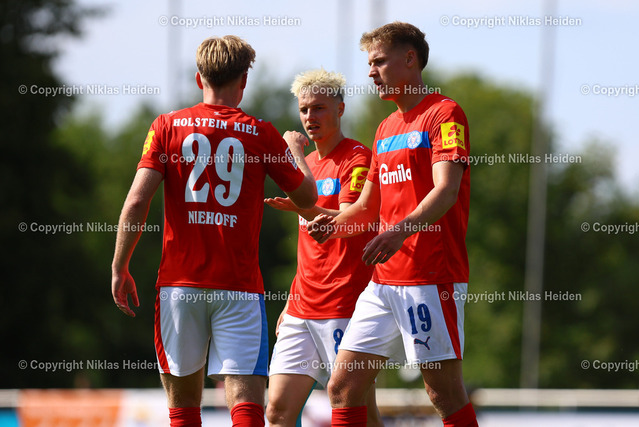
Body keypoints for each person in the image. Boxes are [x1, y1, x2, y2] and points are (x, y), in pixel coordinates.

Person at [111, 35, 317, 427]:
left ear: (198, 78)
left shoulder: (166, 126)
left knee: (184, 407)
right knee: (247, 406)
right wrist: (295, 150)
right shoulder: (261, 133)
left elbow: (137, 201)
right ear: (244, 81)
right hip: (239, 287)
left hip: (179, 287)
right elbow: (307, 198)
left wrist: (120, 266)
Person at [308, 22, 478, 426]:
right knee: (343, 386)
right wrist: (324, 220)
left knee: (442, 392)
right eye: (370, 63)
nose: (371, 72)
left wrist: (398, 231)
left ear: (410, 59)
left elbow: (446, 190)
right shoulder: (385, 128)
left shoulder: (444, 113)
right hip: (384, 281)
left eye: (380, 61)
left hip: (430, 275)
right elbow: (367, 208)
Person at [264, 69, 382, 427]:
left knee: (358, 411)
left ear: (340, 109)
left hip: (344, 305)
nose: (309, 117)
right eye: (303, 109)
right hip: (302, 307)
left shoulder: (357, 157)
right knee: (278, 411)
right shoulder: (308, 166)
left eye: (318, 108)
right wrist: (290, 299)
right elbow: (308, 247)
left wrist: (294, 156)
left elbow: (349, 219)